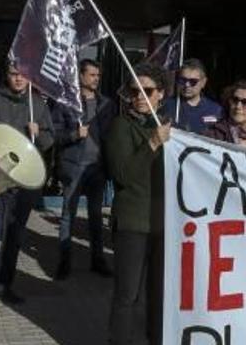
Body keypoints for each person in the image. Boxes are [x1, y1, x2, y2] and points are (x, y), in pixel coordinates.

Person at [0, 61, 54, 310]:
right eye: (14, 74)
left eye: (23, 75)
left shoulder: (37, 105)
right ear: (7, 75)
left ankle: (4, 285)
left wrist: (40, 132)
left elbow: (47, 142)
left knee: (14, 237)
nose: (18, 79)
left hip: (23, 185)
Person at [106, 63, 172, 345]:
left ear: (161, 94)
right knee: (127, 295)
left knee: (158, 295)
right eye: (134, 91)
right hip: (133, 223)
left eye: (147, 91)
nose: (139, 96)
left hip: (164, 223)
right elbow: (123, 175)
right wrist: (152, 145)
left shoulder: (169, 126)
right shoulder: (121, 125)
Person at [52, 59, 116, 279]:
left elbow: (111, 137)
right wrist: (74, 135)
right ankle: (64, 262)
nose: (96, 79)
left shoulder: (107, 104)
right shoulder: (66, 103)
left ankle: (97, 260)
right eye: (91, 75)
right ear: (80, 76)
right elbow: (54, 136)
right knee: (68, 215)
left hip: (97, 169)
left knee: (96, 217)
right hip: (74, 167)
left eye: (98, 75)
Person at [160, 58, 222, 134]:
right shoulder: (167, 106)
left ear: (203, 82)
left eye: (193, 81)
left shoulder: (215, 110)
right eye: (183, 80)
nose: (187, 85)